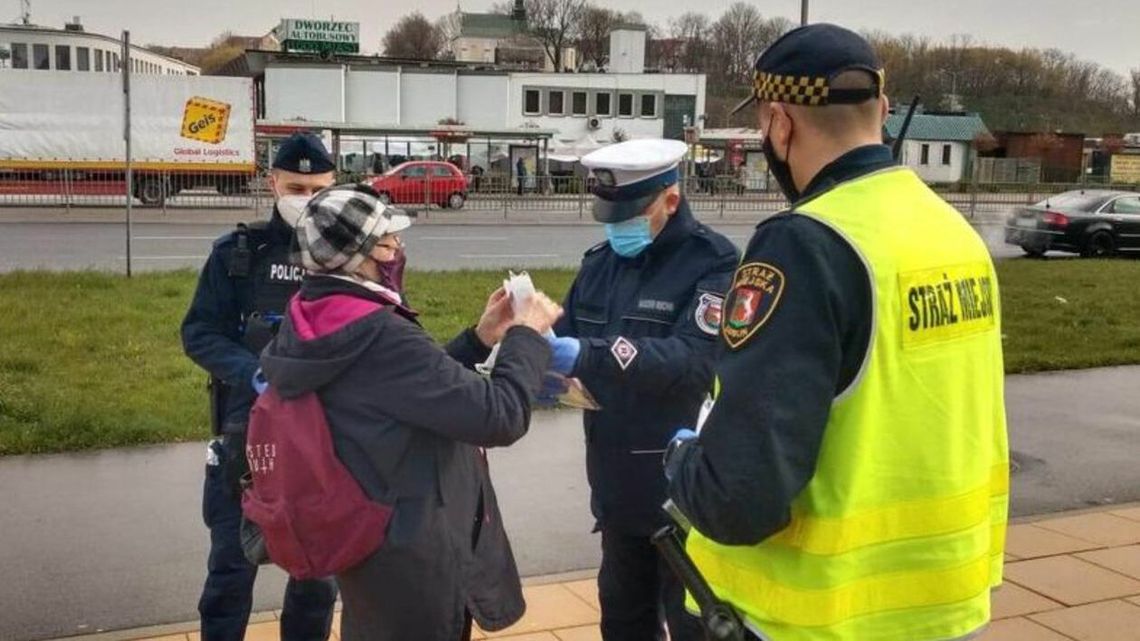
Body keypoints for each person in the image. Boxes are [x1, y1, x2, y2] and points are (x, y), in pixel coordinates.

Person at [664, 24, 1009, 641]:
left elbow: (739, 496)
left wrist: (684, 459)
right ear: (879, 109)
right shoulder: (954, 233)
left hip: (818, 616)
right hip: (944, 604)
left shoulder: (805, 244)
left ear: (779, 125)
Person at [260, 183, 562, 641]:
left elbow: (405, 391)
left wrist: (478, 339)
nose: (398, 249)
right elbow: (498, 416)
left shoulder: (319, 312)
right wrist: (527, 337)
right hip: (415, 545)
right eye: (387, 240)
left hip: (371, 533)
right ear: (358, 257)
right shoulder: (381, 333)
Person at [545, 139, 740, 641]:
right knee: (624, 622)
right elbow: (567, 335)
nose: (617, 227)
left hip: (683, 494)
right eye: (610, 215)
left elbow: (695, 359)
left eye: (629, 213)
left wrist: (586, 356)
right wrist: (543, 365)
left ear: (669, 201)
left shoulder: (713, 263)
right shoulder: (600, 263)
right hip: (616, 490)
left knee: (693, 626)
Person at [181, 132, 339, 641]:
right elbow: (199, 331)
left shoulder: (347, 254)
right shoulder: (238, 254)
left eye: (318, 190)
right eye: (295, 187)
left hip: (324, 444)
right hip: (245, 440)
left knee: (316, 581)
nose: (306, 200)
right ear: (272, 183)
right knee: (230, 575)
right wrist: (253, 371)